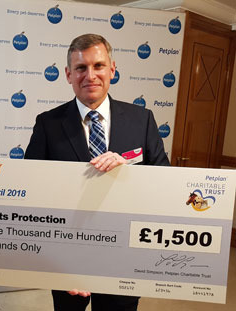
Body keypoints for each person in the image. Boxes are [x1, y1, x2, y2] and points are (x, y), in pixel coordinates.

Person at [25, 34, 170, 311]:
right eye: (81, 68)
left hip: (124, 257)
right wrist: (50, 261)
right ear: (68, 74)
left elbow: (164, 181)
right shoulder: (47, 124)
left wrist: (126, 173)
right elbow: (32, 194)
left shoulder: (142, 120)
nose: (90, 75)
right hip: (67, 258)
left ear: (112, 70)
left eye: (98, 66)